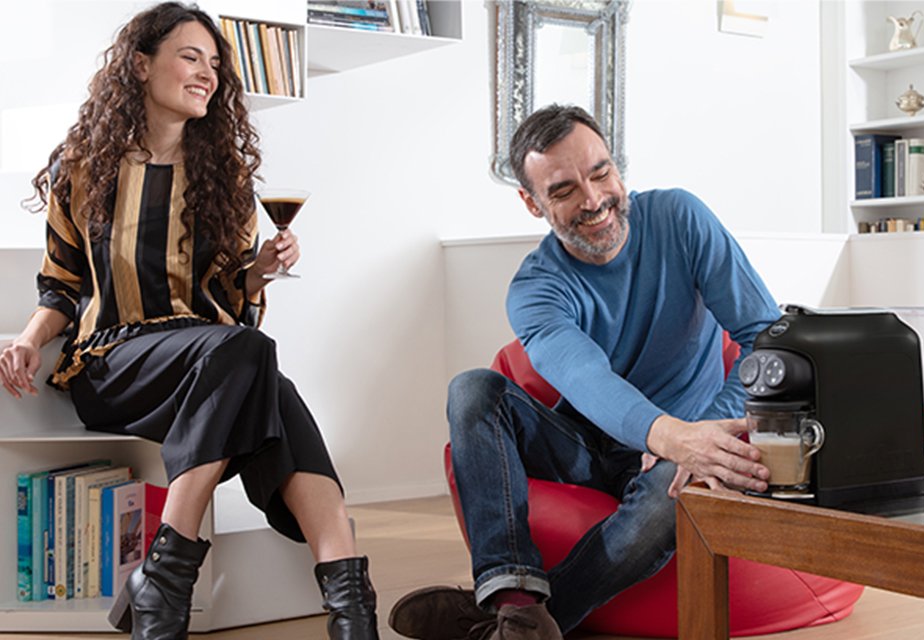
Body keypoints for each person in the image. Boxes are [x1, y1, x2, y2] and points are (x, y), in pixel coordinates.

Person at [0, 4, 377, 639]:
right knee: (251, 357)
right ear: (141, 65)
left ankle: (344, 605)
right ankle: (181, 570)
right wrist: (28, 339)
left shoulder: (224, 177)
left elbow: (230, 299)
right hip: (113, 365)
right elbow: (61, 283)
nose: (207, 73)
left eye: (214, 63)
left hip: (211, 370)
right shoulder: (81, 167)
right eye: (190, 57)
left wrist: (259, 272)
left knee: (260, 373)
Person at [388, 104, 781, 639]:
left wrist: (700, 435)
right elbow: (584, 378)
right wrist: (668, 436)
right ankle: (514, 593)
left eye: (600, 173)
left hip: (690, 450)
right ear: (531, 203)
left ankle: (511, 617)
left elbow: (765, 337)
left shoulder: (680, 219)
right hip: (588, 447)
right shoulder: (535, 289)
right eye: (564, 189)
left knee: (677, 490)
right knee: (472, 390)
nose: (594, 200)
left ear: (617, 168)